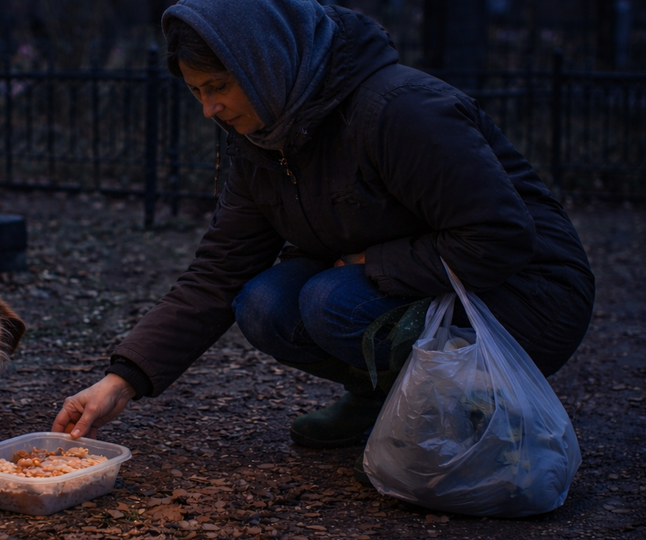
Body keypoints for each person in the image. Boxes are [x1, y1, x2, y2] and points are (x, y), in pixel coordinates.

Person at [51, 0, 594, 476]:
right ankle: (382, 397)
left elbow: (498, 235)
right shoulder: (261, 138)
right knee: (264, 302)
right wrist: (123, 379)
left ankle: (456, 422)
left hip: (526, 297)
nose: (208, 109)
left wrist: (373, 262)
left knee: (328, 300)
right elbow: (220, 271)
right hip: (417, 284)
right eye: (196, 92)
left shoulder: (398, 109)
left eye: (217, 87)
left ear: (264, 65)